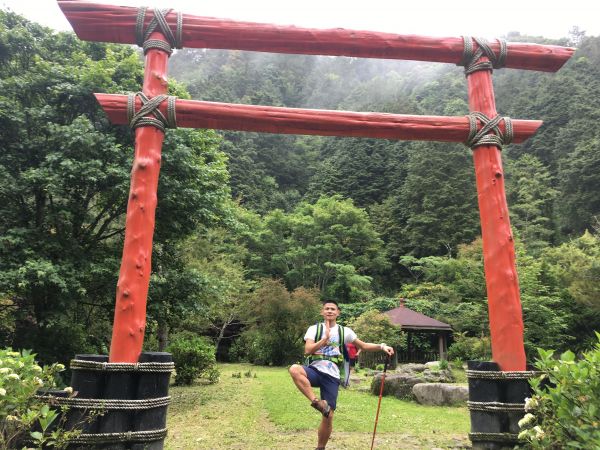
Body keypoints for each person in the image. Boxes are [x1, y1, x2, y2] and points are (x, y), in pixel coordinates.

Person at [289, 300, 394, 450]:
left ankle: (320, 448)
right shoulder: (314, 329)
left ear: (338, 312)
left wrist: (382, 346)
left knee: (329, 415)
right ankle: (316, 402)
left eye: (333, 309)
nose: (330, 311)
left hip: (332, 375)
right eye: (327, 309)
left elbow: (363, 346)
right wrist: (324, 340)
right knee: (294, 369)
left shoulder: (345, 332)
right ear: (322, 312)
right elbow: (308, 350)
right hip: (315, 370)